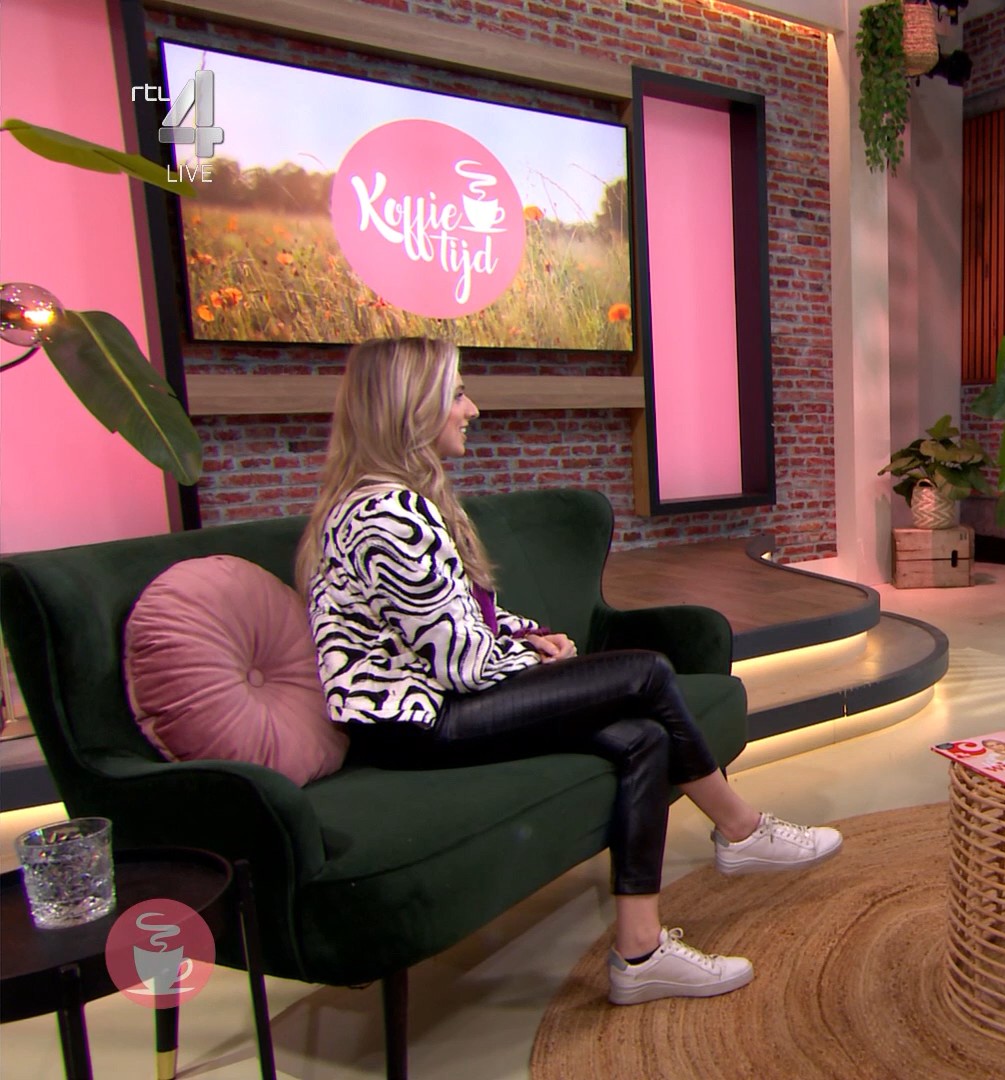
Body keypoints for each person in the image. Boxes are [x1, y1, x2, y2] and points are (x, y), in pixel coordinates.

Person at [297, 337, 842, 1007]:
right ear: (411, 407)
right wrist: (531, 657)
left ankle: (640, 953)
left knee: (643, 737)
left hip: (439, 702)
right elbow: (462, 664)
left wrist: (529, 635)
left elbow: (464, 620)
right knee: (645, 672)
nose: (471, 408)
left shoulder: (397, 502)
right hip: (418, 723)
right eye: (457, 393)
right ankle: (741, 829)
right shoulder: (386, 515)